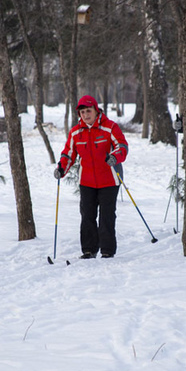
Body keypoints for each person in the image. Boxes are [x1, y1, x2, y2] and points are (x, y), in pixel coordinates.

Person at [54, 95, 129, 258]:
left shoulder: (110, 127)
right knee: (87, 215)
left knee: (106, 216)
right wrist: (61, 168)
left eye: (88, 111)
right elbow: (68, 153)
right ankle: (89, 249)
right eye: (82, 112)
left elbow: (122, 146)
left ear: (96, 110)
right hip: (87, 181)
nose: (86, 115)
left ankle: (107, 250)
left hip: (109, 179)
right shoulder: (76, 133)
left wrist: (115, 157)